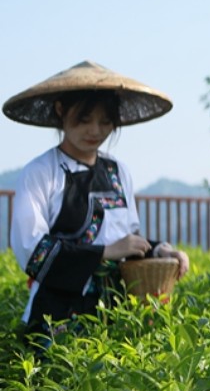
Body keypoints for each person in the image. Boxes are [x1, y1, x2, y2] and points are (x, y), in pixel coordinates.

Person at [4, 61, 190, 342]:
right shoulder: (41, 172)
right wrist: (104, 251)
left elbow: (126, 239)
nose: (96, 130)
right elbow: (33, 250)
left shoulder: (118, 171)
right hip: (56, 314)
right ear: (60, 111)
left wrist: (160, 250)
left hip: (116, 311)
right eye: (85, 119)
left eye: (105, 122)